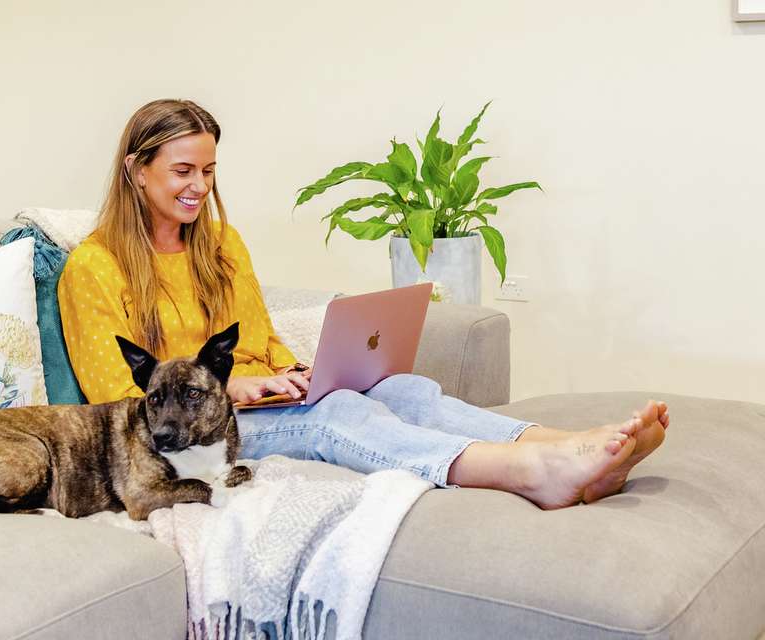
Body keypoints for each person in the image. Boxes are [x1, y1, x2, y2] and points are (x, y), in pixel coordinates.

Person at [57, 99, 669, 510]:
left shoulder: (219, 242)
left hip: (254, 398)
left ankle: (569, 442)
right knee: (336, 419)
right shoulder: (95, 267)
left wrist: (290, 373)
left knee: (405, 392)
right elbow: (118, 393)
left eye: (209, 171)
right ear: (137, 171)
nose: (200, 187)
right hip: (193, 430)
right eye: (183, 171)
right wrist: (235, 390)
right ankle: (533, 472)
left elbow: (261, 337)